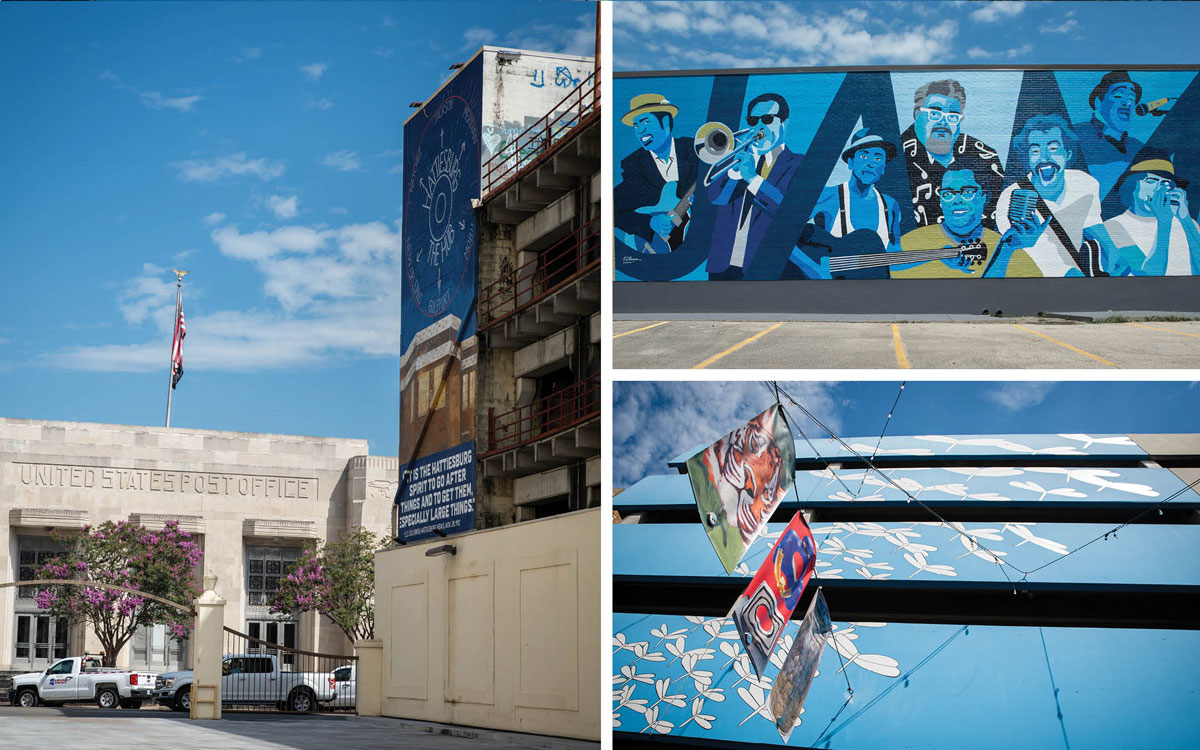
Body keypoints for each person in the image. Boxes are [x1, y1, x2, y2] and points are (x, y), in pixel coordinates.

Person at [996, 114, 1124, 277]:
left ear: (1067, 154)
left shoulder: (1085, 182)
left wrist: (1114, 255)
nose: (1044, 157)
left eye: (1053, 148)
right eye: (1035, 150)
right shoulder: (1010, 199)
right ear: (1027, 158)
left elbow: (1092, 224)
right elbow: (1038, 257)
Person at [706, 93, 804, 279]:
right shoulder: (738, 159)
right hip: (723, 265)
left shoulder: (799, 164)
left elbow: (788, 211)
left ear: (785, 124)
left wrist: (752, 177)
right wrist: (734, 174)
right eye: (753, 120)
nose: (759, 126)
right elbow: (715, 198)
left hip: (768, 266)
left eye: (767, 119)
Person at [787, 128, 902, 278]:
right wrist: (813, 269)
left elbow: (895, 259)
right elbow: (783, 235)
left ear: (884, 168)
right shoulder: (828, 196)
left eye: (878, 158)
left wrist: (940, 253)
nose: (870, 164)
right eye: (863, 155)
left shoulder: (890, 205)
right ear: (850, 162)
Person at [893, 167, 1041, 278]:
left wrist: (1007, 248)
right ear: (940, 201)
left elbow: (990, 298)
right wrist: (940, 254)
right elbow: (882, 266)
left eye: (967, 192)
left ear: (985, 196)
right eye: (948, 194)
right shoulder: (910, 242)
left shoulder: (1012, 250)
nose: (957, 200)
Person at [900, 79, 1004, 230]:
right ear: (917, 114)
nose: (943, 122)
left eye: (952, 116)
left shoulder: (983, 155)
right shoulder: (895, 160)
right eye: (935, 114)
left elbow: (1002, 210)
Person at [614, 94, 699, 254]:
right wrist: (650, 223)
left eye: (646, 121)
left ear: (665, 122)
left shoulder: (694, 149)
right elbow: (613, 208)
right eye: (636, 125)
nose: (641, 130)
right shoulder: (634, 165)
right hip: (654, 248)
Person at [1103, 152, 1200, 275]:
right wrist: (1164, 223)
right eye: (1151, 181)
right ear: (1133, 185)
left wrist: (1185, 219)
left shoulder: (1188, 223)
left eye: (1165, 183)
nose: (1159, 188)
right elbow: (1149, 275)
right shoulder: (1113, 226)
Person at [1074, 70, 1146, 200]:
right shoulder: (1074, 136)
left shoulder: (1139, 149)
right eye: (1118, 95)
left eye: (1131, 98)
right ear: (1098, 102)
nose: (1128, 103)